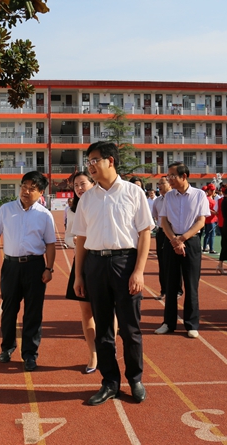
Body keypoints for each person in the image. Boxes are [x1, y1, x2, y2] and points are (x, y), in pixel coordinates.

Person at [72, 141, 153, 406]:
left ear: (110, 160)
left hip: (125, 263)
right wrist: (79, 276)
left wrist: (139, 271)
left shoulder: (133, 193)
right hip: (95, 265)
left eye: (94, 160)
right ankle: (110, 382)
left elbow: (144, 233)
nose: (90, 166)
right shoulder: (87, 198)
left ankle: (136, 379)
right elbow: (81, 239)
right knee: (104, 328)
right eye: (88, 161)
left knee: (130, 328)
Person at [0, 171, 56, 372]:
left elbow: (50, 244)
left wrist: (49, 268)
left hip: (35, 266)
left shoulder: (45, 215)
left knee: (33, 313)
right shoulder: (6, 210)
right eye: (24, 186)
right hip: (11, 266)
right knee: (9, 310)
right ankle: (7, 347)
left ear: (41, 192)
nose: (26, 191)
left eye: (32, 188)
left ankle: (30, 354)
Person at [155, 162, 209, 339]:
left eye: (172, 175)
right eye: (168, 175)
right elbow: (163, 222)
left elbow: (201, 221)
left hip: (191, 242)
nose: (169, 179)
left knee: (191, 285)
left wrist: (183, 239)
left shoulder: (199, 195)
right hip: (171, 242)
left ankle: (191, 324)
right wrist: (174, 241)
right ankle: (168, 323)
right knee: (171, 284)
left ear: (184, 176)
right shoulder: (169, 197)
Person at [64, 171, 98, 374]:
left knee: (107, 310)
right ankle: (93, 353)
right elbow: (68, 237)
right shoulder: (72, 210)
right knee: (86, 312)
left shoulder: (101, 203)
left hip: (102, 260)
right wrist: (73, 241)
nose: (79, 188)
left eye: (83, 183)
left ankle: (107, 349)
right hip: (82, 262)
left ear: (93, 183)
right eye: (76, 185)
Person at [151, 176, 179, 299]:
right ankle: (164, 290)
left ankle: (178, 290)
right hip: (162, 233)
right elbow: (156, 217)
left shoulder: (176, 198)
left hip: (175, 232)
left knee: (176, 262)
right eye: (158, 184)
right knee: (162, 262)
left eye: (162, 183)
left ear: (169, 184)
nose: (159, 186)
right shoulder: (157, 201)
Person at [202, 184, 218, 253]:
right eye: (211, 190)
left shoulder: (212, 198)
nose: (213, 191)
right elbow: (207, 208)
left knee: (208, 234)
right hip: (210, 219)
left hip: (213, 218)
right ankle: (211, 249)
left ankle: (205, 247)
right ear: (208, 190)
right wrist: (213, 212)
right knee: (211, 234)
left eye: (213, 190)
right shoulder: (207, 199)